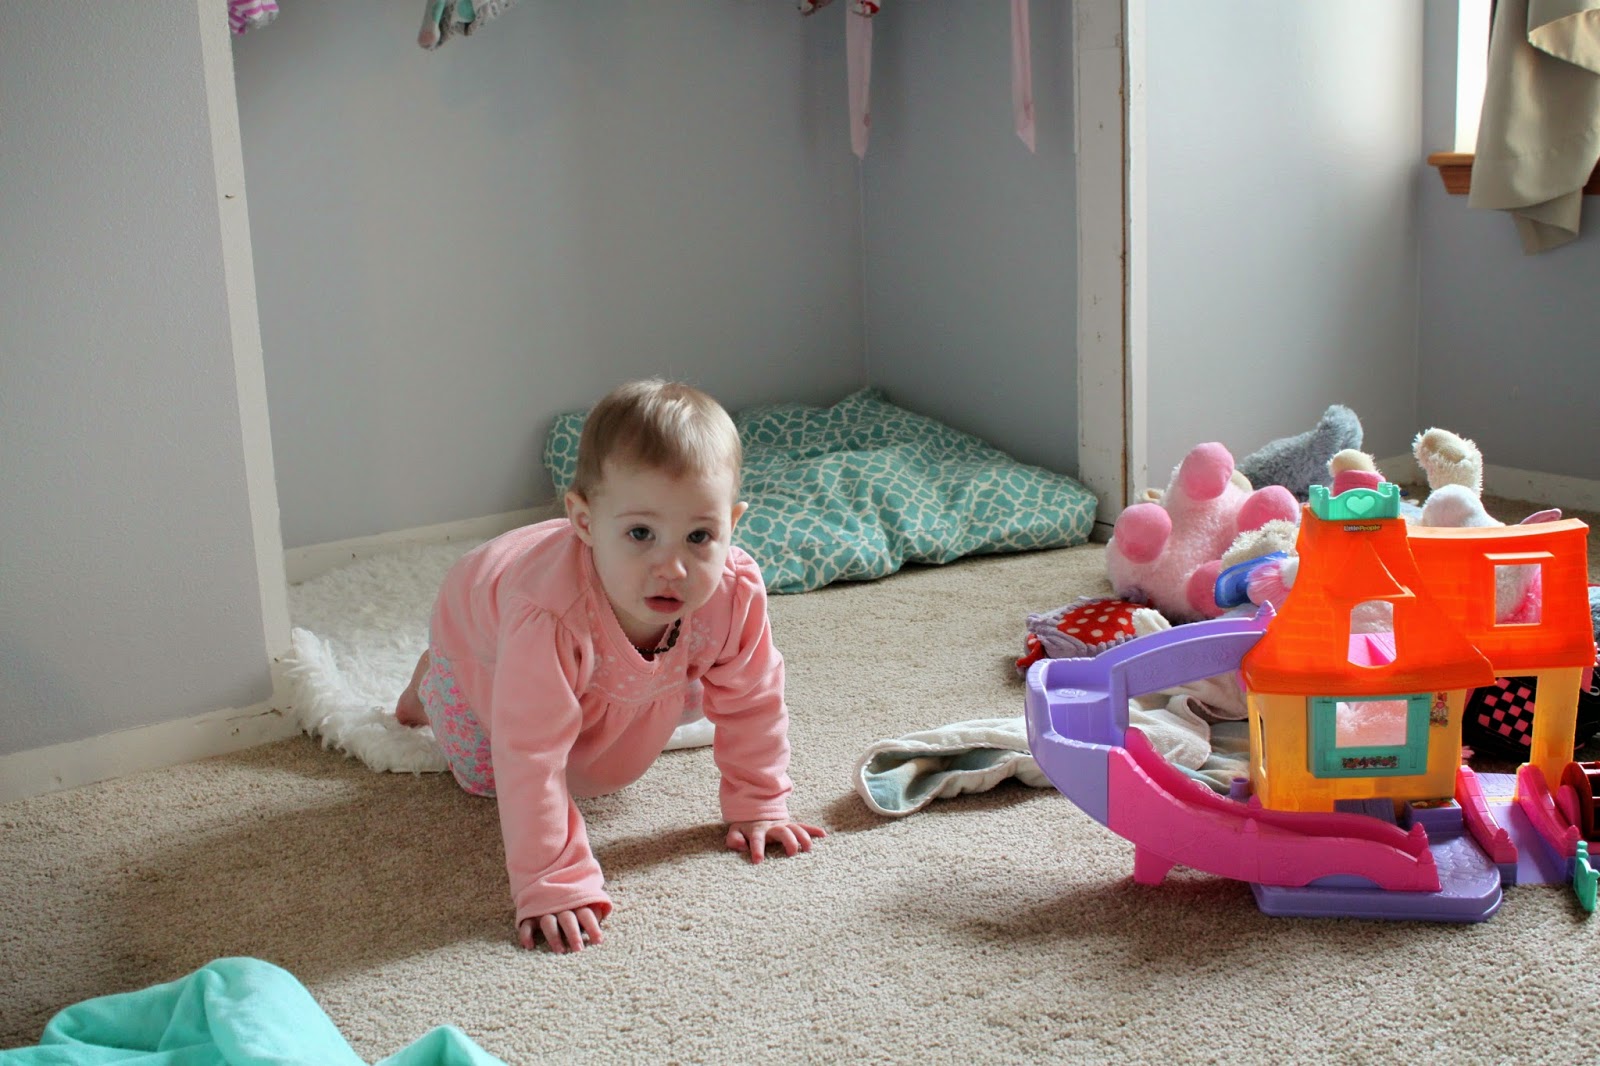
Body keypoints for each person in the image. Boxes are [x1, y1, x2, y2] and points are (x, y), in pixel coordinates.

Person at [394, 379, 823, 953]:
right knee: (485, 772)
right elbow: (529, 753)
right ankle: (432, 681)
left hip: (605, 649)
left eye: (699, 536)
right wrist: (553, 882)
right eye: (641, 533)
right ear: (585, 521)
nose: (672, 567)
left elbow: (754, 700)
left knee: (675, 696)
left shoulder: (732, 591)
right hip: (485, 631)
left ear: (732, 523)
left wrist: (760, 801)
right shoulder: (548, 615)